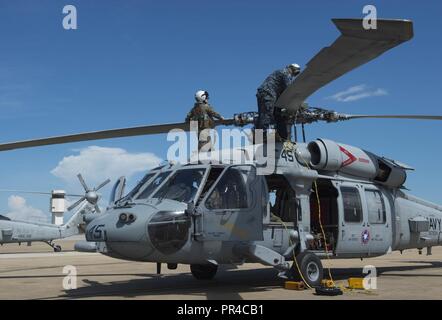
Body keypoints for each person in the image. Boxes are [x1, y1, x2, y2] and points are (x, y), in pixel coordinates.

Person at [256, 64, 301, 140]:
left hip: (263, 94)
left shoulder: (280, 73)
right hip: (268, 94)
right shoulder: (285, 73)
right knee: (268, 114)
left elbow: (282, 91)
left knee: (263, 115)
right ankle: (265, 135)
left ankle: (258, 135)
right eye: (294, 73)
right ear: (291, 69)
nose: (293, 75)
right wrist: (298, 102)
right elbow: (289, 89)